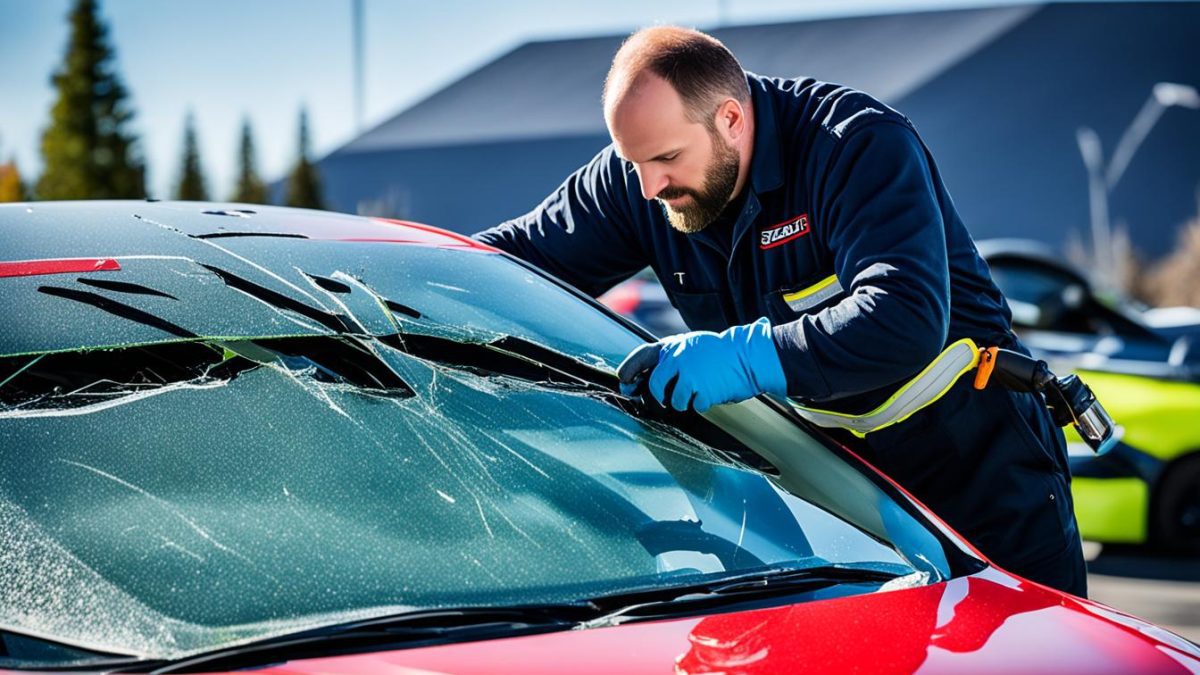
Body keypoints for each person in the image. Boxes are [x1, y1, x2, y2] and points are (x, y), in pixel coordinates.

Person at [474, 26, 1086, 597]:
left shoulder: (854, 145)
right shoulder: (641, 180)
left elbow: (905, 316)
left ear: (731, 119)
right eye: (634, 163)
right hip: (841, 497)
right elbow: (499, 265)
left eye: (664, 160)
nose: (648, 187)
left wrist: (744, 357)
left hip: (980, 475)